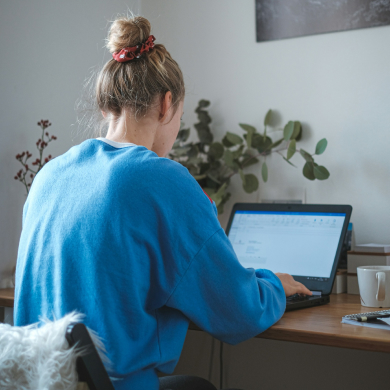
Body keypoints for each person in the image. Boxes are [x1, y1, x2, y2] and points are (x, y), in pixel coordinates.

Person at [14, 15, 311, 390]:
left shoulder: (49, 176)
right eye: (181, 118)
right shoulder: (160, 178)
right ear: (167, 105)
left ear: (108, 106)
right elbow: (238, 312)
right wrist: (272, 284)